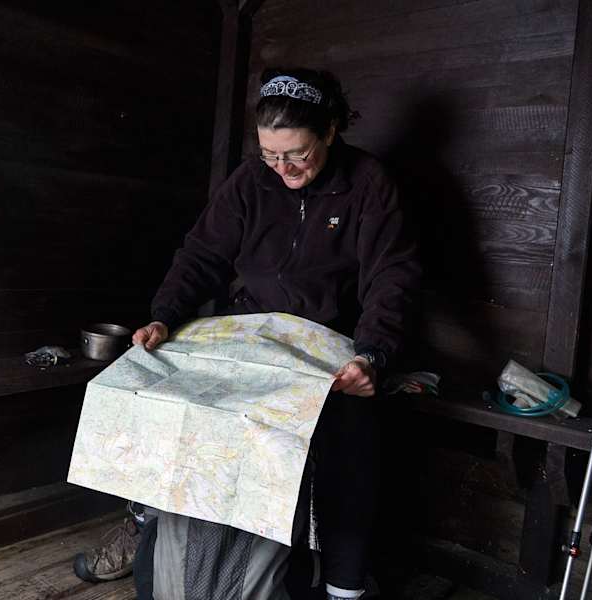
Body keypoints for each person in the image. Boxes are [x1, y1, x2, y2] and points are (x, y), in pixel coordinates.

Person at [75, 67, 420, 600]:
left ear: (330, 131)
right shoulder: (250, 181)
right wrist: (165, 314)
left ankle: (344, 584)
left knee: (348, 423)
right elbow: (202, 254)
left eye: (297, 154)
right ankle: (145, 521)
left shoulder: (369, 184)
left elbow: (390, 276)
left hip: (324, 339)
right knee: (157, 385)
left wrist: (372, 353)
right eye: (271, 155)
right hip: (247, 330)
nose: (283, 167)